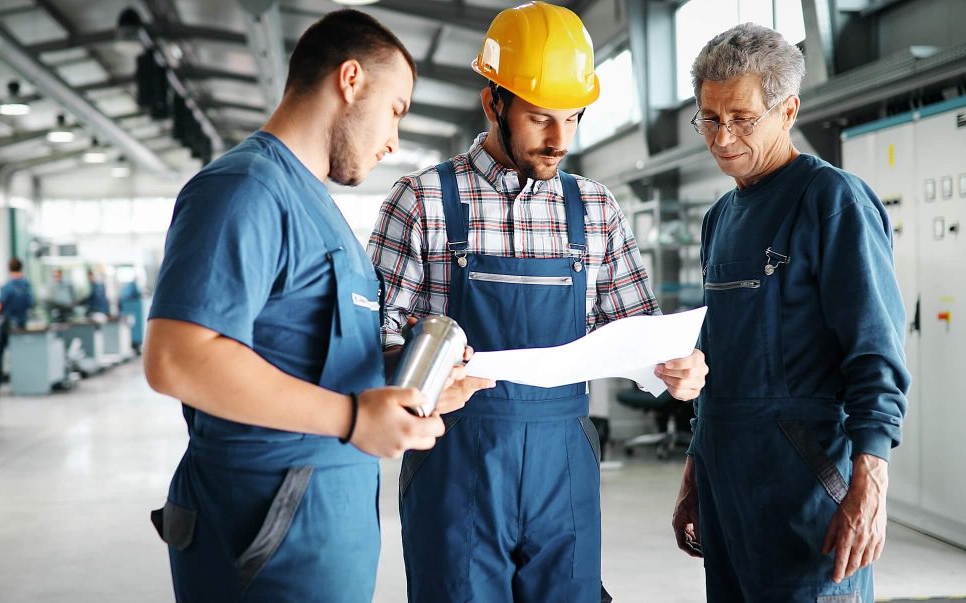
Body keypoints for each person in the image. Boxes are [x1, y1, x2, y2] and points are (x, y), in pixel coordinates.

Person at [142, 9, 492, 602]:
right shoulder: (244, 189)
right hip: (263, 526)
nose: (393, 140)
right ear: (350, 80)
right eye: (396, 110)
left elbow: (302, 352)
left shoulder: (321, 211)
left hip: (322, 523)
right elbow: (176, 358)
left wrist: (404, 388)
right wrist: (354, 420)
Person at [367, 3, 707, 602]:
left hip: (564, 465)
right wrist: (415, 372)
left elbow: (639, 332)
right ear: (492, 102)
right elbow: (368, 338)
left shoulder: (595, 208)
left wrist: (679, 367)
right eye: (539, 118)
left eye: (573, 119)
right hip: (456, 459)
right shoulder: (421, 201)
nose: (559, 141)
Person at [670, 23, 910, 603]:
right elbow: (719, 356)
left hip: (807, 488)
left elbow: (874, 350)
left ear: (788, 110)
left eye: (742, 118)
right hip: (727, 488)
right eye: (710, 117)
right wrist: (697, 466)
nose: (723, 136)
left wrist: (870, 481)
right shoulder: (720, 218)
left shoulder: (833, 201)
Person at [0, 258, 33, 396]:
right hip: (21, 325)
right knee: (20, 355)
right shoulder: (27, 285)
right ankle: (23, 382)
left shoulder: (8, 286)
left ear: (9, 268)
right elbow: (30, 304)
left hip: (7, 325)